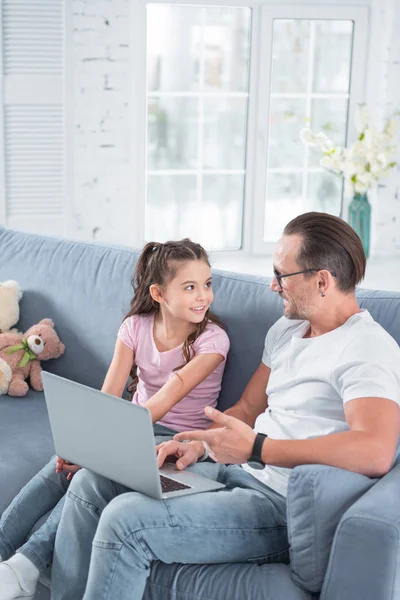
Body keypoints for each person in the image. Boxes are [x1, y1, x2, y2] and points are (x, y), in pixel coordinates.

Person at [51, 212, 400, 600]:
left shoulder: (367, 349)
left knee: (125, 521)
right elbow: (247, 408)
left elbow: (376, 450)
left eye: (282, 276)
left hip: (275, 507)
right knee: (90, 482)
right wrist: (200, 444)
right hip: (228, 472)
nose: (272, 285)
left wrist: (257, 448)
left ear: (322, 281)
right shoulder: (286, 331)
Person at [0, 239, 229, 600]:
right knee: (59, 465)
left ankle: (27, 564)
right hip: (129, 425)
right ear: (158, 293)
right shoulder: (135, 327)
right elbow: (109, 395)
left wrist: (100, 448)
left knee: (91, 472)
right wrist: (86, 442)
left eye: (207, 284)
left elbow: (167, 397)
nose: (204, 296)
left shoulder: (213, 341)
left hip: (175, 441)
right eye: (190, 287)